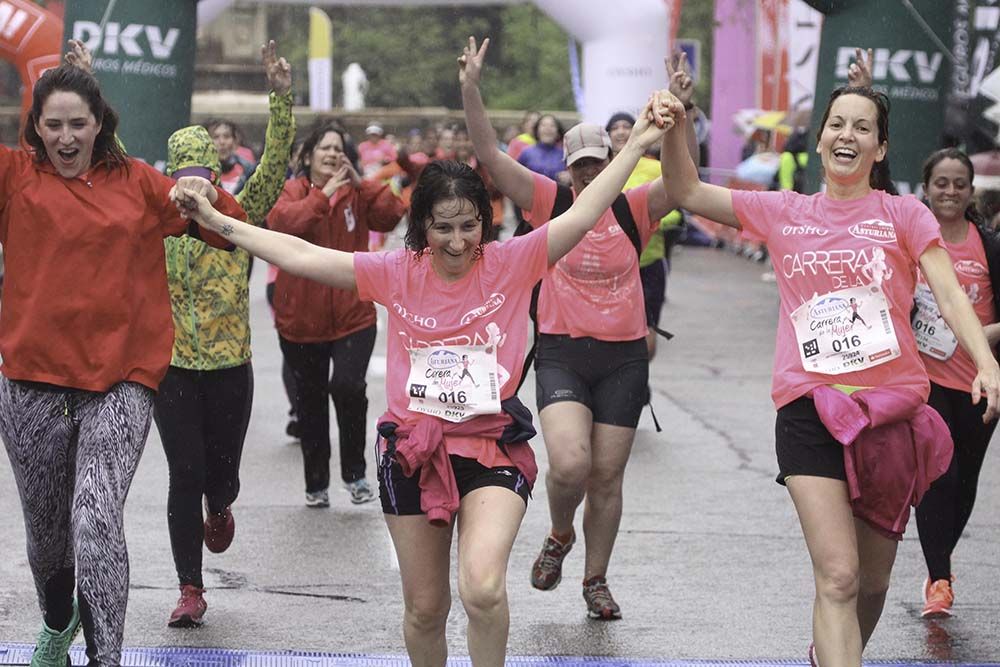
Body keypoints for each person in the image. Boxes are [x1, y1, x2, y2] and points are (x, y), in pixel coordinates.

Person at [171, 83, 672, 667]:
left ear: (486, 222)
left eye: (469, 226)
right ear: (422, 228)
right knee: (426, 611)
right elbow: (299, 255)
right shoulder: (397, 272)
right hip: (413, 451)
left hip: (491, 448)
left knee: (483, 589)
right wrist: (215, 218)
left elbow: (584, 213)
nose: (458, 242)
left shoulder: (513, 261)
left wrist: (636, 142)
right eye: (443, 228)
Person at [656, 51, 1000, 664]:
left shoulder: (903, 214)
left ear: (880, 148)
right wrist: (679, 119)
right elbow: (685, 190)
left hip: (890, 416)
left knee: (871, 582)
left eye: (863, 127)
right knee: (838, 576)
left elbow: (948, 292)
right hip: (809, 409)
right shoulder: (785, 211)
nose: (848, 135)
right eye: (837, 124)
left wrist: (986, 360)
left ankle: (828, 655)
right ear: (819, 141)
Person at [0, 60, 243, 667]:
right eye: (53, 125)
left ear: (99, 124)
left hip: (120, 381)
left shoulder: (138, 183)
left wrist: (205, 197)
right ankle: (58, 621)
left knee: (95, 518)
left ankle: (105, 658)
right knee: (48, 538)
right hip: (30, 381)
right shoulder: (14, 177)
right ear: (35, 127)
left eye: (77, 124)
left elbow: (227, 229)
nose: (65, 138)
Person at [460, 36, 699, 620]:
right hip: (563, 351)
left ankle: (596, 579)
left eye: (599, 161)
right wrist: (471, 88)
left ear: (613, 160)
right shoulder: (548, 201)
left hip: (623, 357)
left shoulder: (633, 205)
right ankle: (560, 532)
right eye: (582, 164)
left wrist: (681, 111)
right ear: (568, 168)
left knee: (608, 478)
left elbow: (684, 181)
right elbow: (490, 155)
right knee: (569, 465)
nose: (591, 172)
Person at [156, 40, 295, 627]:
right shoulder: (156, 224)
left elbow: (275, 163)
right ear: (169, 181)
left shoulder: (239, 215)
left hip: (231, 368)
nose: (193, 194)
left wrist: (280, 97)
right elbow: (111, 167)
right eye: (182, 183)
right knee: (183, 473)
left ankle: (222, 503)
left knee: (221, 475)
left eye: (201, 181)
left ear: (215, 178)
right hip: (173, 369)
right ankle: (190, 587)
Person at [268, 123, 406, 507]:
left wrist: (362, 184)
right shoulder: (292, 191)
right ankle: (316, 484)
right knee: (310, 401)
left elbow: (392, 214)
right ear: (308, 155)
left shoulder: (356, 193)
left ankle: (355, 474)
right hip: (301, 321)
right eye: (325, 148)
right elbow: (283, 225)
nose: (332, 154)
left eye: (338, 149)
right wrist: (323, 194)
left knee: (348, 388)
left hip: (353, 315)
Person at [912, 148, 1000, 619]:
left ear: (970, 191)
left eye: (959, 184)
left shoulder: (989, 246)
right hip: (925, 380)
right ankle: (940, 580)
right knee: (938, 474)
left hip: (979, 382)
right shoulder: (911, 238)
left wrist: (980, 335)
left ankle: (938, 564)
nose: (949, 191)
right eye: (941, 183)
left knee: (965, 481)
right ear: (926, 188)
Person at [206, 118, 257, 194]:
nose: (222, 142)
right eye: (216, 137)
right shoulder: (202, 173)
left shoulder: (248, 170)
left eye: (226, 136)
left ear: (235, 141)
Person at [516, 114, 569, 185]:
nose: (548, 128)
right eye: (543, 125)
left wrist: (570, 177)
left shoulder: (564, 154)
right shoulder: (526, 153)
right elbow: (515, 176)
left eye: (552, 125)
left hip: (557, 191)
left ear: (558, 132)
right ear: (537, 130)